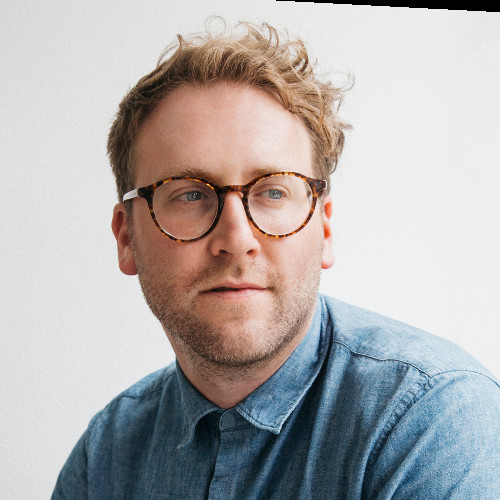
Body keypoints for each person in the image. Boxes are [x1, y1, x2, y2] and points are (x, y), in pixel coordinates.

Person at [52, 20, 500, 499]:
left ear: (322, 229)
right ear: (126, 238)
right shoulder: (106, 453)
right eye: (188, 195)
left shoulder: (430, 418)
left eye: (272, 191)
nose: (236, 238)